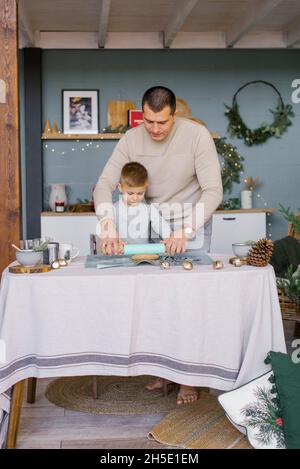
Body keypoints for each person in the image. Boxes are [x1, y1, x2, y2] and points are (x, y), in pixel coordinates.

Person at [93, 86, 223, 404]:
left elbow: (213, 191)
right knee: (159, 305)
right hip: (151, 228)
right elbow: (104, 184)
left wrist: (186, 230)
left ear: (174, 115)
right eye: (148, 120)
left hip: (190, 227)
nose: (154, 129)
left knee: (189, 304)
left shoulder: (197, 136)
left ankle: (189, 380)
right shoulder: (131, 139)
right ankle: (165, 370)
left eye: (161, 122)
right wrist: (107, 224)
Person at [99, 161, 171, 245]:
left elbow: (160, 224)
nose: (135, 197)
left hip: (143, 254)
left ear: (145, 188)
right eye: (130, 193)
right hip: (119, 254)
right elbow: (106, 230)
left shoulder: (149, 209)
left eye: (140, 193)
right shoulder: (113, 210)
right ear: (120, 187)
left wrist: (169, 238)